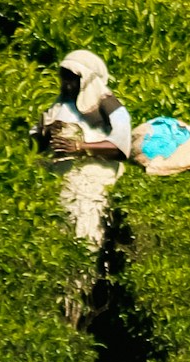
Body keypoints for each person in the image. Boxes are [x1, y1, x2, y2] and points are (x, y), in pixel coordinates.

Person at [35, 49, 132, 244]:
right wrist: (45, 133)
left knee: (85, 232)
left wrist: (81, 147)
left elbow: (122, 146)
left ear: (86, 80)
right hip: (60, 181)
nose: (66, 85)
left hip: (91, 182)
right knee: (58, 236)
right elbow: (36, 141)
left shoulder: (110, 106)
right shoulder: (59, 105)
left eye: (72, 80)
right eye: (64, 79)